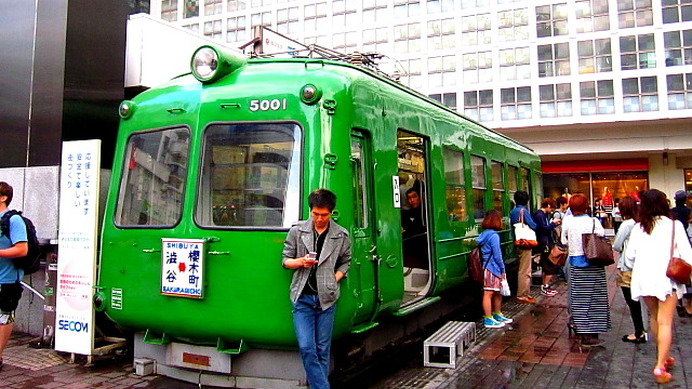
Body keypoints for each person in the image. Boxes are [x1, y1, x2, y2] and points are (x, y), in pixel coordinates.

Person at [282, 189, 351, 389]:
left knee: (322, 348)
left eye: (324, 215)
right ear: (310, 211)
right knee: (306, 347)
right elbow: (285, 260)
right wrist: (300, 262)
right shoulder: (297, 230)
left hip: (326, 299)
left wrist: (334, 278)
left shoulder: (341, 235)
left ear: (331, 213)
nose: (319, 219)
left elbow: (347, 261)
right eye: (315, 214)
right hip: (302, 297)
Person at [624, 189, 692, 384]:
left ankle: (664, 356)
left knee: (654, 317)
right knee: (665, 321)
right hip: (666, 279)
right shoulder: (674, 226)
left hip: (644, 278)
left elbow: (629, 257)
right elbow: (688, 255)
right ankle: (660, 365)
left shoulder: (639, 227)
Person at [561, 193, 611, 347]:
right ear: (586, 206)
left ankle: (582, 331)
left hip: (576, 263)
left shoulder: (567, 221)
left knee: (579, 299)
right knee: (596, 298)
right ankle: (593, 332)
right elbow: (601, 235)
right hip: (594, 263)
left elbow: (564, 241)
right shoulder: (593, 221)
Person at [0, 182, 29, 370]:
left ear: (3, 198)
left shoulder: (13, 220)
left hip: (7, 279)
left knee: (4, 316)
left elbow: (22, 249)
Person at [612, 196, 646, 344]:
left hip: (628, 266)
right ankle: (642, 329)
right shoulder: (642, 223)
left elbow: (617, 245)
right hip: (642, 264)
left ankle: (639, 331)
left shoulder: (627, 224)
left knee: (632, 300)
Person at [477, 210, 513, 329]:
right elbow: (497, 255)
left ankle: (497, 314)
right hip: (493, 268)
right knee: (489, 292)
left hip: (488, 267)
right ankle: (488, 318)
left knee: (497, 291)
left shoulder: (484, 234)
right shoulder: (494, 236)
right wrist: (503, 269)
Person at [510, 190, 537, 304]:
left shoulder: (513, 212)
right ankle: (522, 295)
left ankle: (525, 293)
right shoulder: (523, 211)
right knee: (525, 270)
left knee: (522, 268)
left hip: (518, 241)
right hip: (526, 243)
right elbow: (533, 225)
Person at [532, 198, 561, 296]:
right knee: (550, 265)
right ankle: (545, 286)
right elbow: (544, 229)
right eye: (552, 208)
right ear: (548, 205)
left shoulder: (540, 214)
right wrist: (553, 224)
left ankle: (545, 286)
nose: (552, 210)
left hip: (544, 242)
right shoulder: (540, 215)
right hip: (545, 243)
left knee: (546, 265)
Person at [401, 187, 428, 269]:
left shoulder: (427, 211)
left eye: (414, 197)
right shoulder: (407, 214)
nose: (412, 200)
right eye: (409, 198)